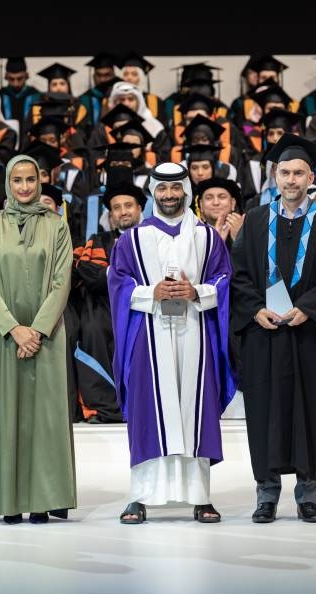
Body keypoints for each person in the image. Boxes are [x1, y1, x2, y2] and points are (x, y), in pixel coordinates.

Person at [230, 134, 316, 524]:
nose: (291, 180)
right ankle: (266, 495)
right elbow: (239, 275)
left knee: (310, 412)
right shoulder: (255, 220)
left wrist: (309, 309)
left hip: (309, 332)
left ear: (311, 176)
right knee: (264, 413)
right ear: (274, 176)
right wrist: (255, 310)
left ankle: (308, 495)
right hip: (264, 333)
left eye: (299, 173)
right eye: (285, 172)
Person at [107, 163, 234, 525]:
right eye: (161, 189)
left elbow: (224, 280)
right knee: (150, 411)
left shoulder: (207, 237)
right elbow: (118, 284)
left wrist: (198, 291)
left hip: (195, 331)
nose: (168, 195)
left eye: (175, 188)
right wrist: (152, 292)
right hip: (149, 334)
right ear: (153, 192)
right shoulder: (132, 238)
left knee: (195, 411)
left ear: (185, 191)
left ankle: (200, 497)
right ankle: (140, 496)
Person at [0, 155, 76, 524]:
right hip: (1, 335)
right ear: (8, 184)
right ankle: (5, 499)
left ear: (40, 181)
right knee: (5, 414)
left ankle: (43, 499)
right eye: (17, 180)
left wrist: (37, 329)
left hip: (46, 335)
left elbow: (63, 281)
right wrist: (14, 328)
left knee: (44, 419)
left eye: (31, 179)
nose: (25, 187)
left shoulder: (57, 226)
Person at [73, 183, 146, 424]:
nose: (123, 211)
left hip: (145, 305)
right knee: (93, 327)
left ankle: (144, 404)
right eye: (116, 208)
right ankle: (104, 406)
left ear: (139, 209)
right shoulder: (99, 239)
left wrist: (117, 276)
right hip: (105, 304)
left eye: (128, 206)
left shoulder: (154, 238)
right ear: (110, 215)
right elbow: (89, 273)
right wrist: (124, 278)